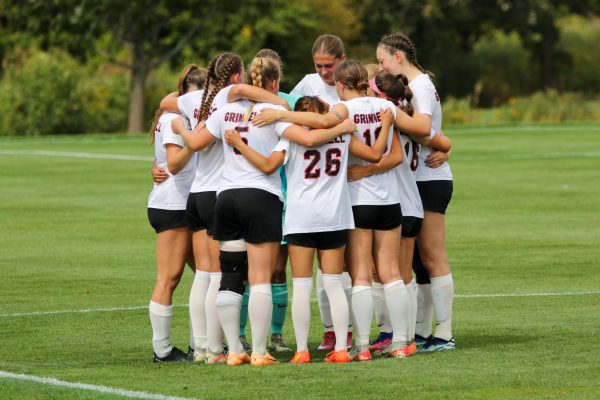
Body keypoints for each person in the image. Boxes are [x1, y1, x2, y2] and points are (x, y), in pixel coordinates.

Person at [172, 56, 355, 366]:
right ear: (274, 84)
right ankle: (259, 350)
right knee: (259, 279)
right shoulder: (277, 114)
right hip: (261, 197)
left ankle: (233, 350)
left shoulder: (224, 110)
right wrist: (340, 125)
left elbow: (200, 144)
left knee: (230, 276)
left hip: (225, 197)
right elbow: (308, 138)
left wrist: (181, 127)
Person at [253, 59, 416, 360]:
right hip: (374, 204)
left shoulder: (336, 116)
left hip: (335, 208)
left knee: (347, 279)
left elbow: (319, 130)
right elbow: (384, 150)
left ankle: (350, 347)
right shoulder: (384, 110)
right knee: (388, 274)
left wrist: (280, 115)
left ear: (340, 84)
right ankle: (399, 342)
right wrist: (387, 126)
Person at [228, 94, 393, 363]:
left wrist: (238, 146)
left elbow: (269, 165)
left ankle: (302, 350)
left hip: (301, 218)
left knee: (302, 287)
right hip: (335, 218)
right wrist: (384, 126)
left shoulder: (291, 137)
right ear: (323, 112)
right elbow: (375, 155)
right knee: (334, 284)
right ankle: (341, 347)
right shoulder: (342, 136)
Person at [157, 53, 289, 364]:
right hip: (231, 191)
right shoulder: (232, 98)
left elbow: (166, 102)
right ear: (235, 77)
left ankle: (204, 348)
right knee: (238, 276)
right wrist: (277, 101)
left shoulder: (197, 101)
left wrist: (184, 130)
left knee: (207, 275)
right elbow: (242, 93)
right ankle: (231, 348)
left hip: (201, 195)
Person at [350, 70, 451, 356]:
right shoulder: (407, 120)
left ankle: (401, 338)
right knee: (391, 274)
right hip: (409, 204)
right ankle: (399, 335)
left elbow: (393, 157)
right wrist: (446, 149)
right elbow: (443, 141)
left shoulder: (391, 118)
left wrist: (364, 171)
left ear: (381, 97)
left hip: (401, 204)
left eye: (371, 92)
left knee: (396, 275)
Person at [377, 32, 456, 351]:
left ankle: (445, 333)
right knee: (420, 262)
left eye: (382, 60)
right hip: (420, 176)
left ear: (399, 57)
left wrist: (391, 116)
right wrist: (446, 144)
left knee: (433, 257)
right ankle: (423, 332)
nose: (381, 67)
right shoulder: (417, 85)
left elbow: (423, 128)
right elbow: (432, 133)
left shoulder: (420, 85)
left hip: (428, 178)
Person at [290, 34, 353, 351]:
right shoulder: (307, 84)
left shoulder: (351, 86)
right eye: (319, 66)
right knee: (332, 278)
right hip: (332, 199)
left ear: (342, 60)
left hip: (316, 202)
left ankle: (311, 346)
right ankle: (339, 339)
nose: (324, 72)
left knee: (330, 277)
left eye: (329, 66)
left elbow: (300, 128)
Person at [237, 48, 296, 354]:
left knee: (276, 269)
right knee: (250, 271)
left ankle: (276, 334)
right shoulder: (238, 105)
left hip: (283, 196)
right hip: (257, 194)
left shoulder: (289, 102)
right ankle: (242, 335)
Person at [147, 65, 204, 362]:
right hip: (172, 205)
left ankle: (201, 346)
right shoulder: (176, 119)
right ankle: (163, 350)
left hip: (181, 202)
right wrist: (194, 141)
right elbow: (174, 163)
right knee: (169, 278)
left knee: (207, 273)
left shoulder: (178, 115)